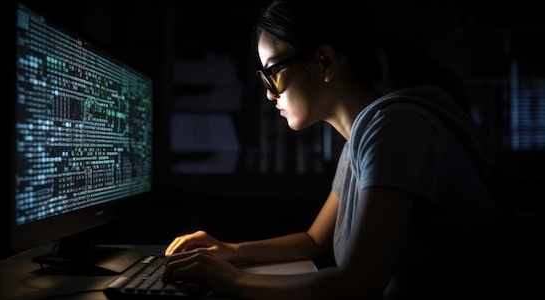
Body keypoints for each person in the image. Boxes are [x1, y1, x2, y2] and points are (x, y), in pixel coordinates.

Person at [162, 0, 502, 299]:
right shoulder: (366, 135)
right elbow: (313, 240)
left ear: (325, 62)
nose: (269, 93)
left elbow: (356, 286)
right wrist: (229, 251)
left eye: (273, 74)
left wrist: (231, 280)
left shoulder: (395, 130)